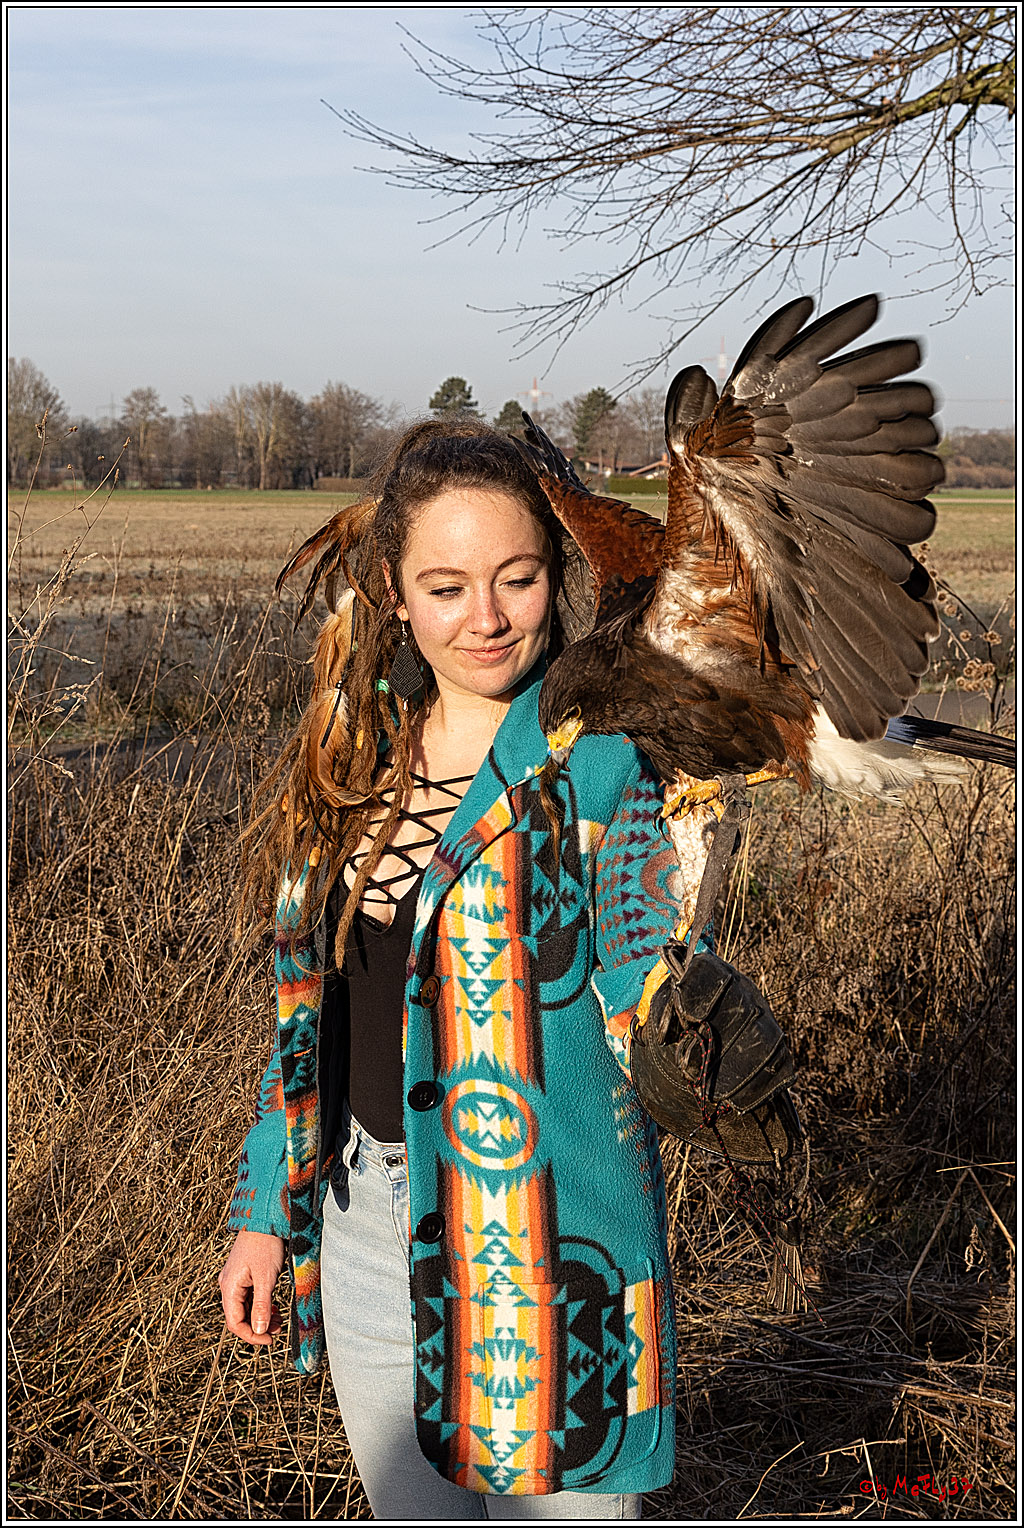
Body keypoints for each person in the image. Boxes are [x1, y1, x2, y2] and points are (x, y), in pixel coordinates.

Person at [218, 418, 720, 1519]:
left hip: (550, 1241)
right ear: (396, 593)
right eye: (445, 586)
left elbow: (652, 967)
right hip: (355, 1225)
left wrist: (697, 1019)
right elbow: (305, 1023)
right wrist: (266, 1209)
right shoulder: (351, 760)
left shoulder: (603, 760)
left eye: (517, 578)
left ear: (558, 578)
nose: (486, 618)